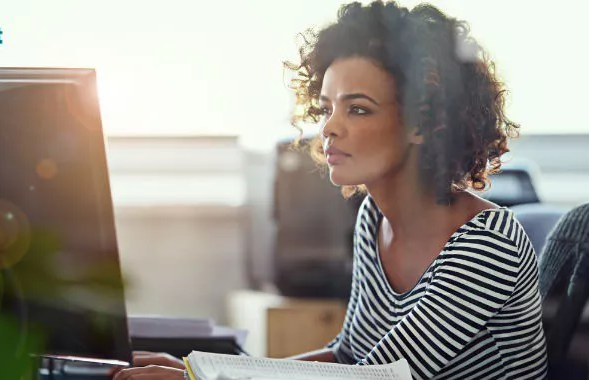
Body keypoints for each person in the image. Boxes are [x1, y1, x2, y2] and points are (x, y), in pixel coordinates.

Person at [114, 1, 548, 379]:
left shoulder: (488, 245)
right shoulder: (374, 219)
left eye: (357, 109)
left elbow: (373, 378)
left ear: (426, 123)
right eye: (326, 108)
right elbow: (347, 356)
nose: (328, 127)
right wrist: (199, 370)